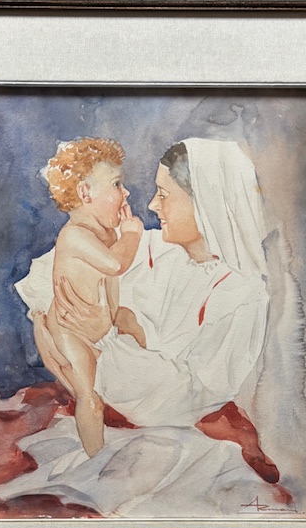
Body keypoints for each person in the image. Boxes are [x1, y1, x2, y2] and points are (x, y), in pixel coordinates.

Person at [21, 138, 279, 485]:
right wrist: (63, 324)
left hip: (168, 436)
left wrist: (105, 340)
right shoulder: (151, 248)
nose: (152, 205)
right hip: (106, 413)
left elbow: (190, 398)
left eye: (164, 194)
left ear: (207, 203)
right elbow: (46, 281)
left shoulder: (245, 296)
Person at [28, 137, 144, 457]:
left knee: (132, 321)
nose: (126, 192)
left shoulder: (106, 231)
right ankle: (96, 460)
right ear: (85, 193)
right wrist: (132, 234)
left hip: (101, 324)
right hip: (71, 332)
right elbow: (115, 265)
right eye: (117, 184)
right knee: (90, 398)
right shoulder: (74, 236)